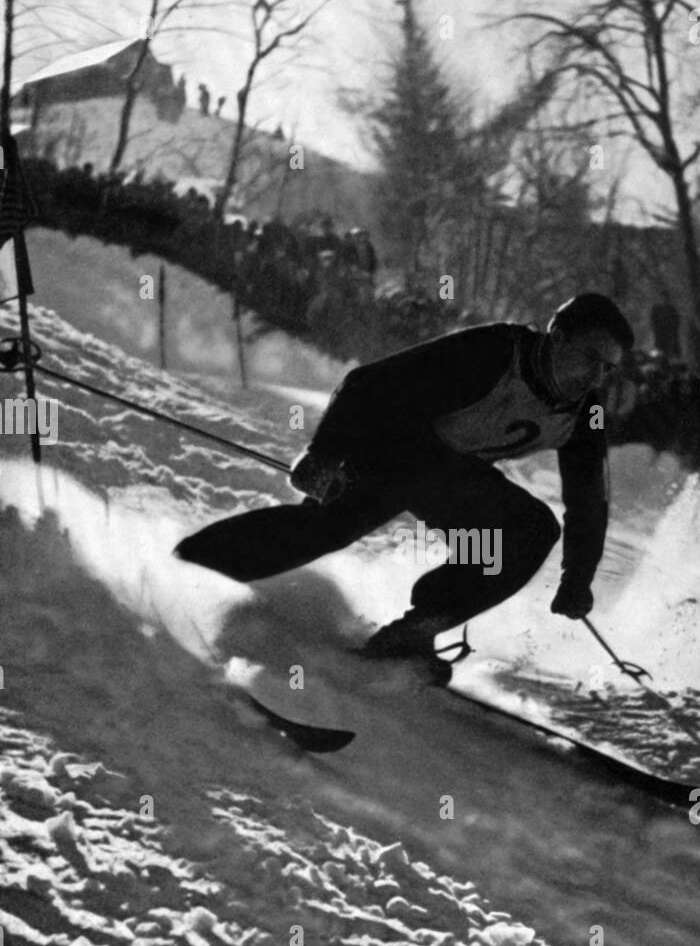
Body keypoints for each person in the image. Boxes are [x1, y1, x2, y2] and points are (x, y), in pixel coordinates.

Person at [176, 293, 634, 684]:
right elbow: (370, 383)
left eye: (607, 369)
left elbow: (589, 499)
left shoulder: (584, 415)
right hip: (393, 449)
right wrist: (324, 455)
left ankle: (415, 631)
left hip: (451, 476)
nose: (596, 377)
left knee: (531, 530)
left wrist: (577, 579)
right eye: (591, 359)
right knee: (326, 530)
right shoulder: (496, 351)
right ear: (558, 337)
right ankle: (193, 570)